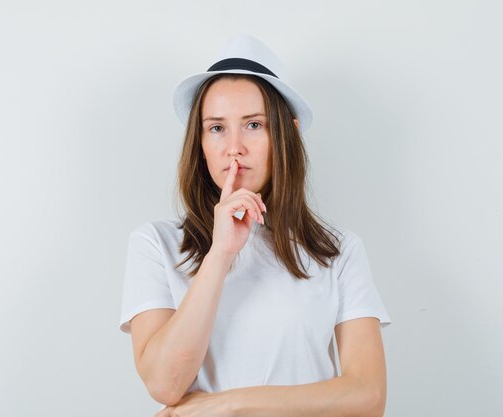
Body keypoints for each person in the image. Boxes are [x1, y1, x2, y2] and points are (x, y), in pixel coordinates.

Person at [119, 35, 391, 417]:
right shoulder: (156, 244)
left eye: (253, 125)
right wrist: (220, 254)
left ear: (287, 133)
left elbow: (367, 396)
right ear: (199, 141)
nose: (234, 147)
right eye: (216, 128)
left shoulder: (339, 250)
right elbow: (164, 383)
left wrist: (228, 405)